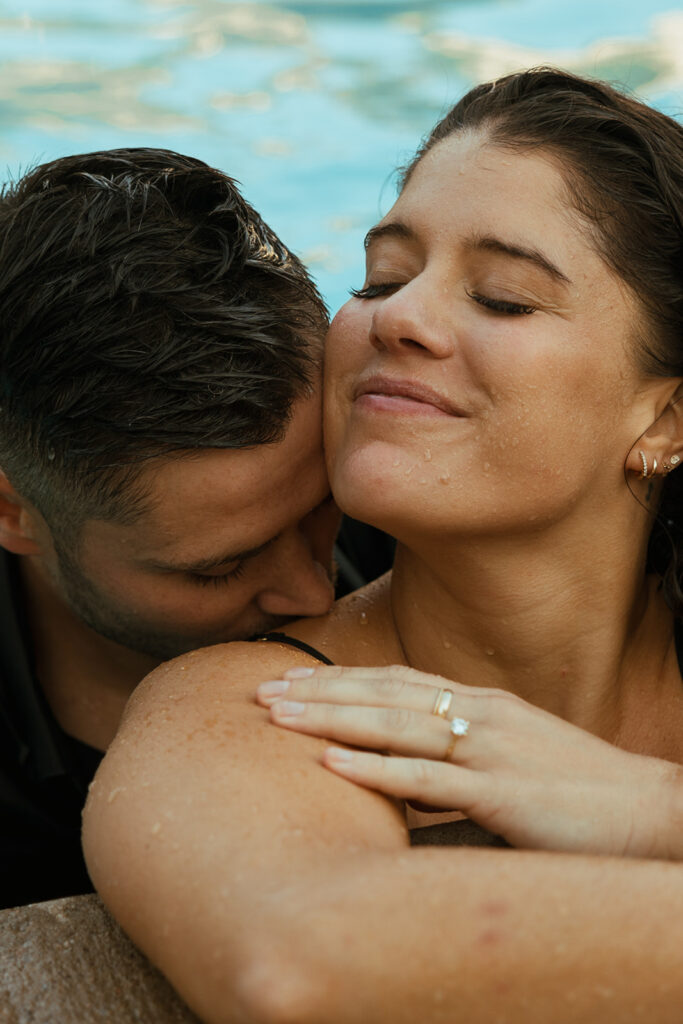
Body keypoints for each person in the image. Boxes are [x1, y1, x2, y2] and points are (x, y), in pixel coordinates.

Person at [84, 69, 683, 1023]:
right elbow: (305, 958)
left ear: (666, 414)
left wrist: (651, 810)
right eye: (381, 278)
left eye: (501, 298)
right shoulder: (266, 703)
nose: (394, 318)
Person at [0, 148, 392, 909]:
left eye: (324, 505)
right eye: (219, 569)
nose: (316, 589)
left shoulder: (417, 503)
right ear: (15, 513)